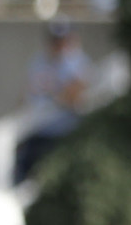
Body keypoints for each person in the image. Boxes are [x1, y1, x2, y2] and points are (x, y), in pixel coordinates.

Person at [13, 17, 91, 184]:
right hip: (37, 134)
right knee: (24, 179)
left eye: (63, 39)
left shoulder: (78, 62)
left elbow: (77, 94)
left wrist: (55, 96)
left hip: (64, 136)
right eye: (55, 40)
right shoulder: (38, 61)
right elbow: (26, 95)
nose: (59, 44)